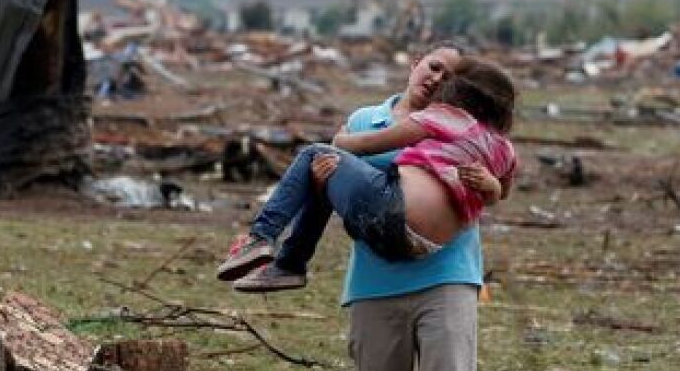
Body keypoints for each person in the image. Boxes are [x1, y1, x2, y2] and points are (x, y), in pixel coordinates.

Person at [217, 56, 517, 308]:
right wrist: (490, 185)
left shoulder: (442, 116)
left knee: (315, 155)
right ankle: (287, 266)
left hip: (393, 215)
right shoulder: (504, 148)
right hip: (426, 246)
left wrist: (339, 139)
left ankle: (262, 238)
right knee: (327, 170)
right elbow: (501, 192)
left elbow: (364, 145)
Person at [313, 43, 493, 371]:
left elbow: (495, 186)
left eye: (449, 77)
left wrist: (487, 183)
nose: (437, 78)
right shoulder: (364, 120)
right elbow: (348, 200)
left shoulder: (468, 129)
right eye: (434, 67)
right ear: (415, 64)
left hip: (447, 277)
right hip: (375, 281)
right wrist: (323, 181)